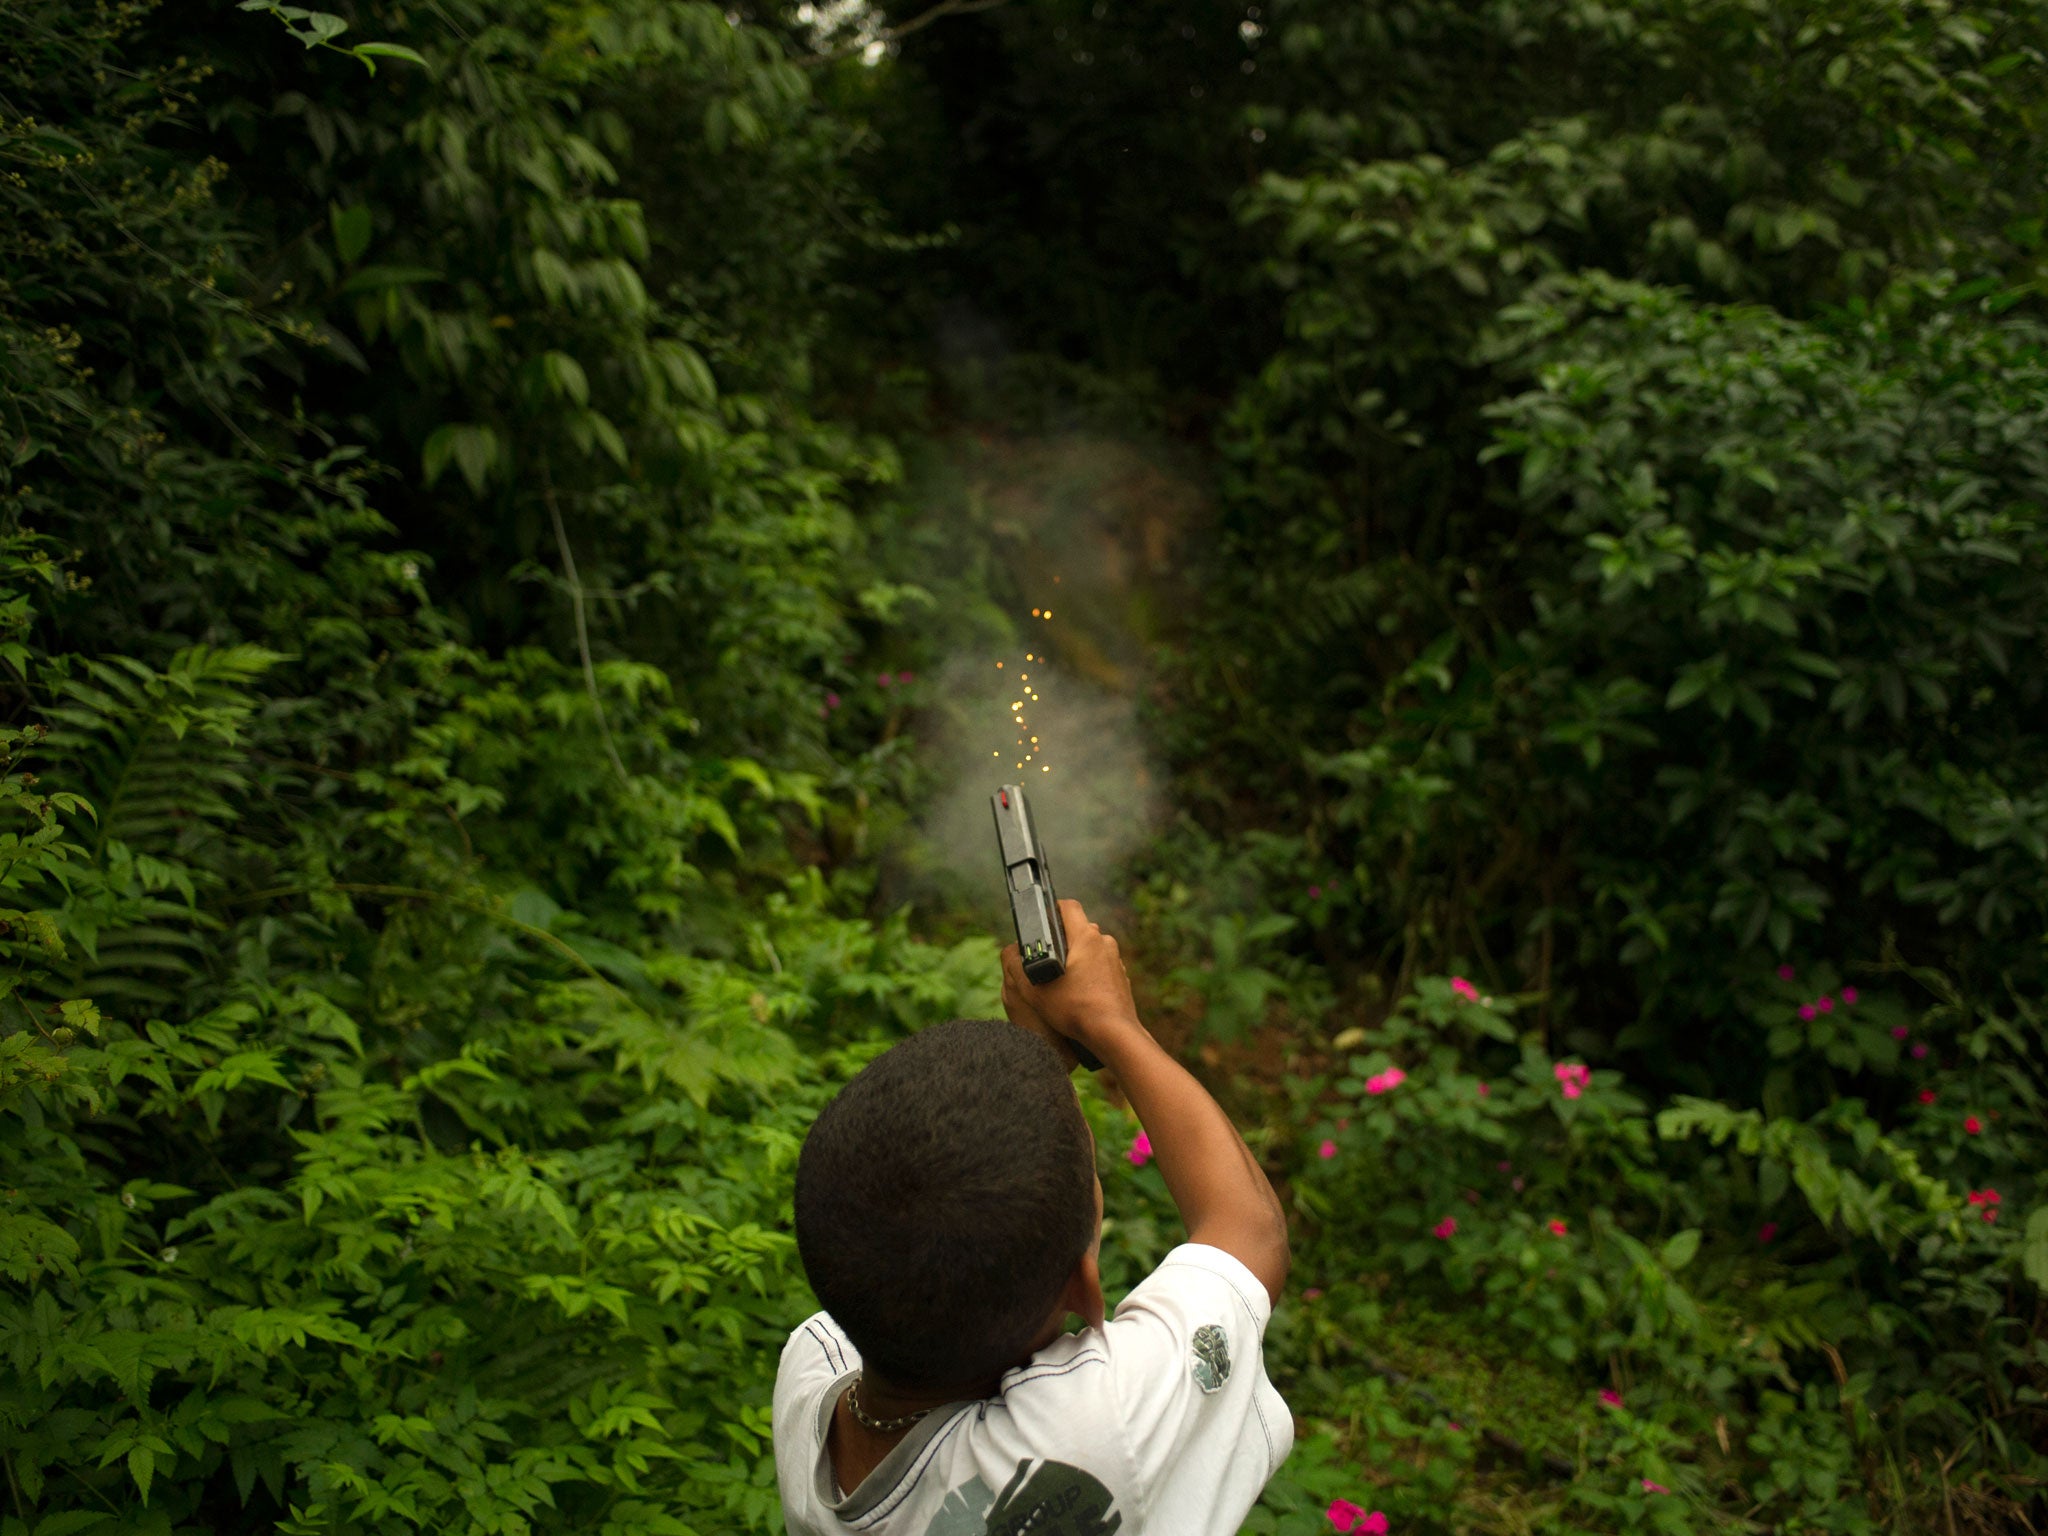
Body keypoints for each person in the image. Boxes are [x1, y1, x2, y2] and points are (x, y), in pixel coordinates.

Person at [774, 899, 1293, 1535]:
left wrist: (1033, 1063)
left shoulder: (810, 1372)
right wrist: (1113, 1024)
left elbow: (944, 1220)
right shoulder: (1096, 1431)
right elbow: (1249, 1231)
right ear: (1084, 1290)